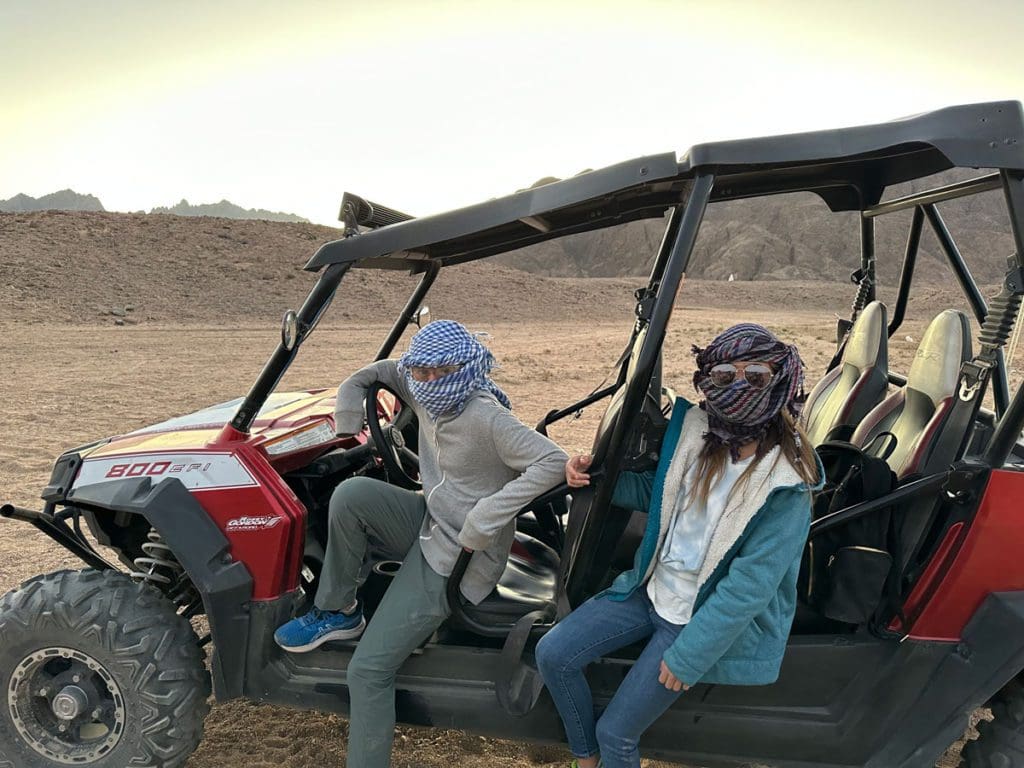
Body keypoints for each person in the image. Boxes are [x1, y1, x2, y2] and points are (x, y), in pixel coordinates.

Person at [274, 319, 567, 768]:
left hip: (460, 555)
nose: (429, 382)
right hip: (432, 518)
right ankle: (338, 611)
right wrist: (349, 413)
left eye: (440, 372)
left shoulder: (485, 416)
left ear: (466, 368)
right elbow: (378, 373)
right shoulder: (422, 384)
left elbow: (553, 462)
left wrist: (485, 516)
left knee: (368, 671)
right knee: (352, 495)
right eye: (422, 372)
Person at [535, 323, 823, 768]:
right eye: (726, 376)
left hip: (693, 619)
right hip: (651, 590)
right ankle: (586, 758)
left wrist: (690, 656)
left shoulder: (786, 484)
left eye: (757, 376)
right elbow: (659, 494)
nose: (741, 386)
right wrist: (592, 478)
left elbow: (749, 587)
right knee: (553, 653)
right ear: (709, 380)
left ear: (781, 379)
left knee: (618, 734)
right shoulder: (697, 434)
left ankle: (603, 753)